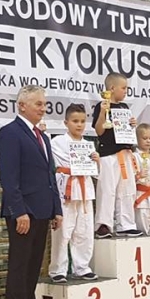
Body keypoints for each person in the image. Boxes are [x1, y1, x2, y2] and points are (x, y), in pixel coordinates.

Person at [0, 85, 62, 299]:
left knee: (34, 264)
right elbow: (9, 178)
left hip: (42, 210)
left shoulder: (42, 137)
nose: (43, 108)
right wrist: (19, 211)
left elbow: (50, 175)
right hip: (23, 212)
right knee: (19, 264)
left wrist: (56, 209)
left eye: (44, 104)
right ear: (22, 105)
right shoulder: (10, 133)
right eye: (38, 104)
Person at [49, 104, 99, 283]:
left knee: (84, 231)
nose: (79, 125)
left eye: (82, 121)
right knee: (63, 231)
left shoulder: (88, 146)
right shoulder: (56, 142)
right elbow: (62, 162)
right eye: (75, 121)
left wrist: (96, 161)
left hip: (85, 191)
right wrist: (80, 163)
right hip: (66, 191)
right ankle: (58, 270)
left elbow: (95, 173)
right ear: (66, 122)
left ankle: (82, 267)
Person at [92, 73, 142, 238]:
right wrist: (103, 113)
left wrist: (132, 125)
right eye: (124, 88)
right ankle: (103, 225)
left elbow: (126, 130)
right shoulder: (102, 105)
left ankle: (126, 224)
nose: (126, 91)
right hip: (109, 155)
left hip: (125, 153)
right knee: (107, 190)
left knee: (127, 190)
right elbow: (99, 131)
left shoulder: (124, 108)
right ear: (112, 88)